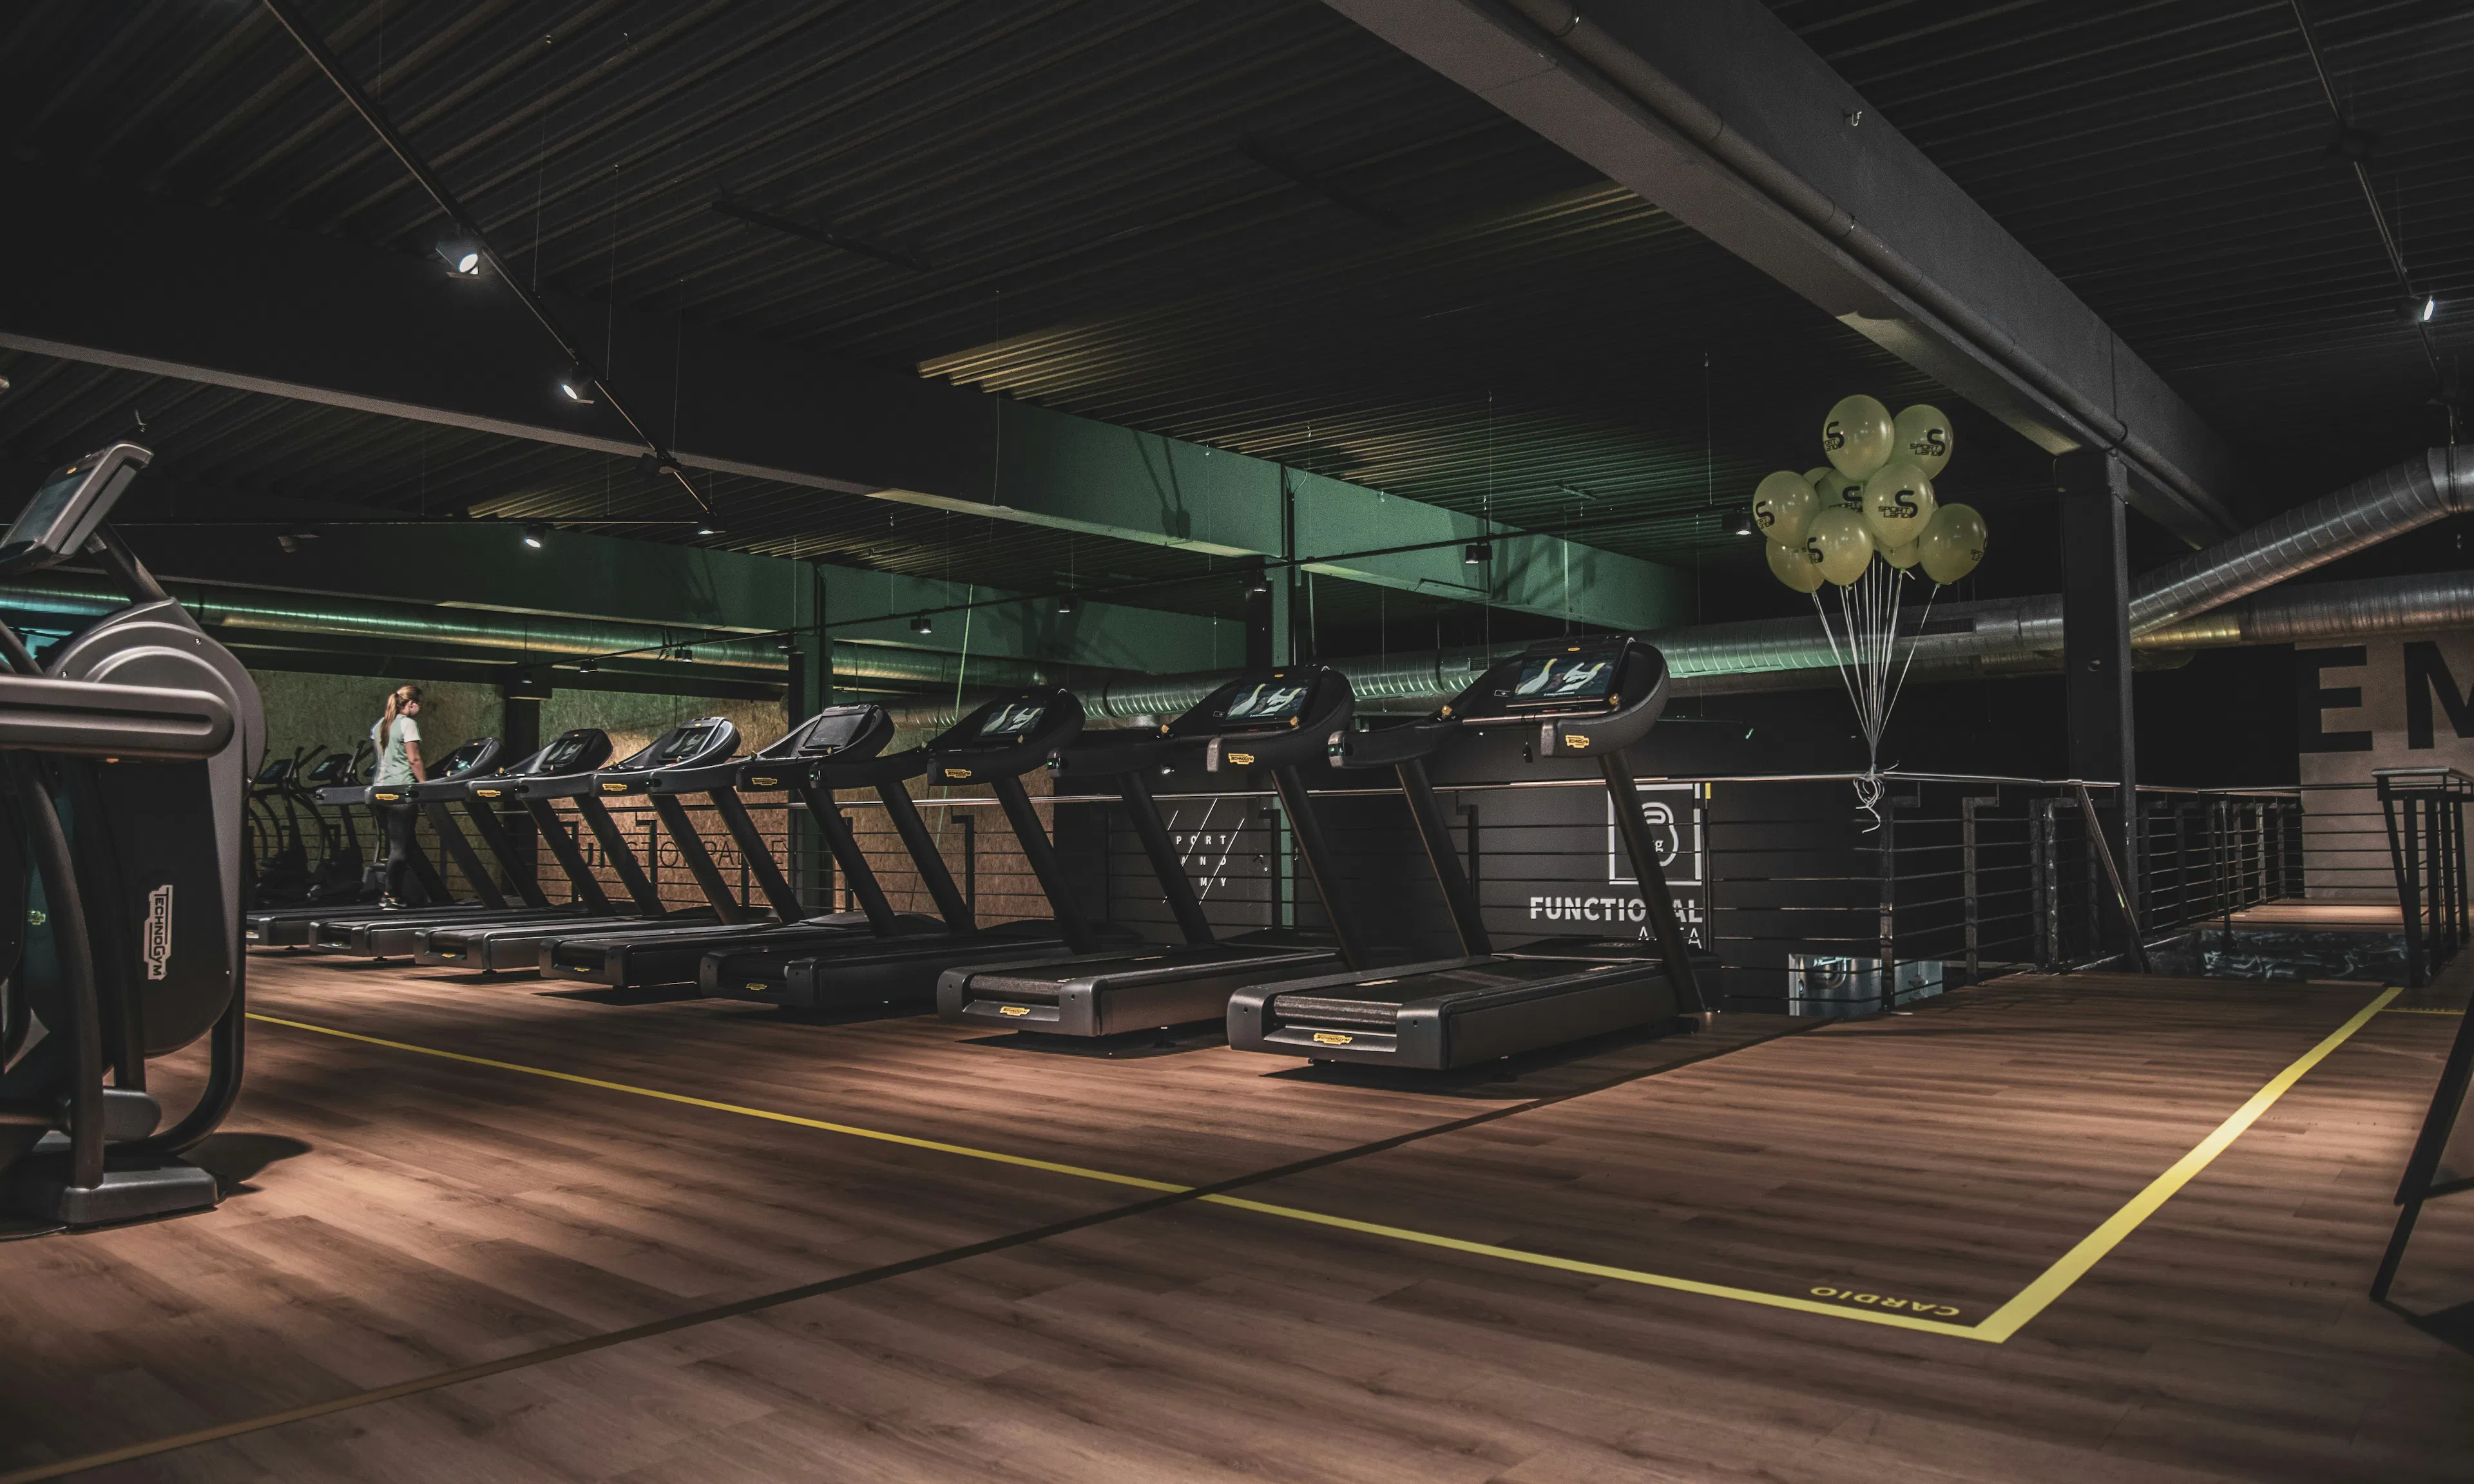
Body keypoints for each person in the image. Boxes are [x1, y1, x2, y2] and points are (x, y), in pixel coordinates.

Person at [370, 683, 427, 908]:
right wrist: (426, 788)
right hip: (400, 793)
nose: (419, 709)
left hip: (379, 792)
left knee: (401, 844)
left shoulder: (380, 725)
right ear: (411, 704)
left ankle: (409, 893)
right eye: (419, 705)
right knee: (399, 849)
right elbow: (414, 759)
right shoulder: (408, 724)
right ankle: (391, 896)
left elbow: (382, 759)